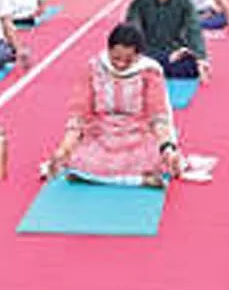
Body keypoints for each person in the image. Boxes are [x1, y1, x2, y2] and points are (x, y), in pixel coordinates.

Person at [45, 24, 182, 188]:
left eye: (128, 60)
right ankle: (139, 180)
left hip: (137, 133)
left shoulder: (149, 72)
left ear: (139, 55)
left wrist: (167, 148)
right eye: (115, 58)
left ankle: (109, 178)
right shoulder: (93, 68)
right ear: (107, 50)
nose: (121, 65)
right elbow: (79, 116)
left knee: (154, 159)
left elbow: (158, 117)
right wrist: (64, 149)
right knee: (78, 160)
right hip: (101, 133)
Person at [126, 0, 211, 82]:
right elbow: (132, 31)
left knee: (190, 67)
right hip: (148, 54)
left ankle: (156, 70)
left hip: (175, 54)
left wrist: (200, 58)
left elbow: (194, 31)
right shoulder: (139, 3)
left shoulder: (184, 3)